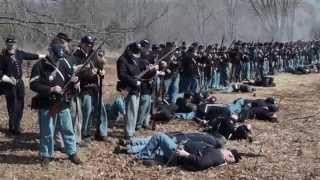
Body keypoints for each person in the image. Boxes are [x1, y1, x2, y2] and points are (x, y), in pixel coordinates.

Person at [30, 42, 81, 167]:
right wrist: (51, 89)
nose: (58, 60)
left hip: (62, 101)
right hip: (47, 102)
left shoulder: (63, 62)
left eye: (60, 58)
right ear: (50, 52)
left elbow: (71, 77)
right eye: (56, 57)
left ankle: (72, 152)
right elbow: (33, 84)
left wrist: (76, 81)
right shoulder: (39, 66)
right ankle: (46, 155)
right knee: (47, 130)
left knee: (67, 128)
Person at [117, 132, 241, 171]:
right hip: (179, 150)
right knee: (155, 149)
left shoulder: (217, 154)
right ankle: (129, 150)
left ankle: (140, 156)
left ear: (229, 154)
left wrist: (185, 154)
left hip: (178, 154)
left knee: (159, 137)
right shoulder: (217, 156)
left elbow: (201, 163)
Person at [0, 34, 44, 135]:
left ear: (15, 44)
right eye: (9, 43)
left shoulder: (19, 53)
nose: (11, 45)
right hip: (9, 85)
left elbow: (31, 56)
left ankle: (17, 124)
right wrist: (7, 79)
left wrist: (44, 56)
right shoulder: (2, 57)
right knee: (12, 106)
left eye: (13, 43)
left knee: (20, 105)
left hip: (20, 83)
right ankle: (12, 127)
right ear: (7, 44)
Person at [69, 35, 109, 145]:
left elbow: (100, 66)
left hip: (95, 86)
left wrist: (101, 72)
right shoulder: (76, 55)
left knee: (101, 109)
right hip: (84, 87)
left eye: (91, 45)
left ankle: (102, 132)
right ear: (82, 43)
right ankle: (85, 133)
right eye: (87, 44)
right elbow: (74, 72)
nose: (89, 47)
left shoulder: (93, 54)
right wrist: (88, 73)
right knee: (87, 110)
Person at [117, 42, 143, 140]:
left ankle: (132, 131)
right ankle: (128, 133)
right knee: (130, 112)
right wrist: (134, 82)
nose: (135, 54)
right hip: (129, 88)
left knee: (134, 111)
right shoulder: (122, 60)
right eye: (134, 52)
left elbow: (139, 71)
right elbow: (122, 75)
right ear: (129, 50)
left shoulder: (134, 59)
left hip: (136, 88)